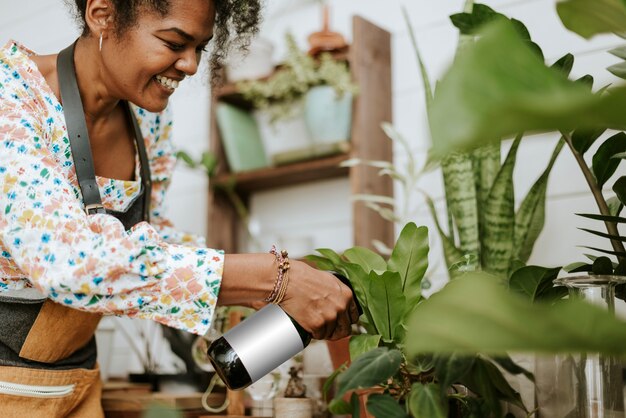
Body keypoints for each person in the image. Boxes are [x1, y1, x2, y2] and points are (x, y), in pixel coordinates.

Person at [0, 0, 360, 416]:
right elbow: (69, 262)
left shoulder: (145, 117)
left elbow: (147, 237)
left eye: (200, 48)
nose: (190, 65)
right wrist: (268, 277)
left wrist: (264, 283)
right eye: (174, 42)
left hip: (76, 385)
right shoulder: (12, 98)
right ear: (101, 15)